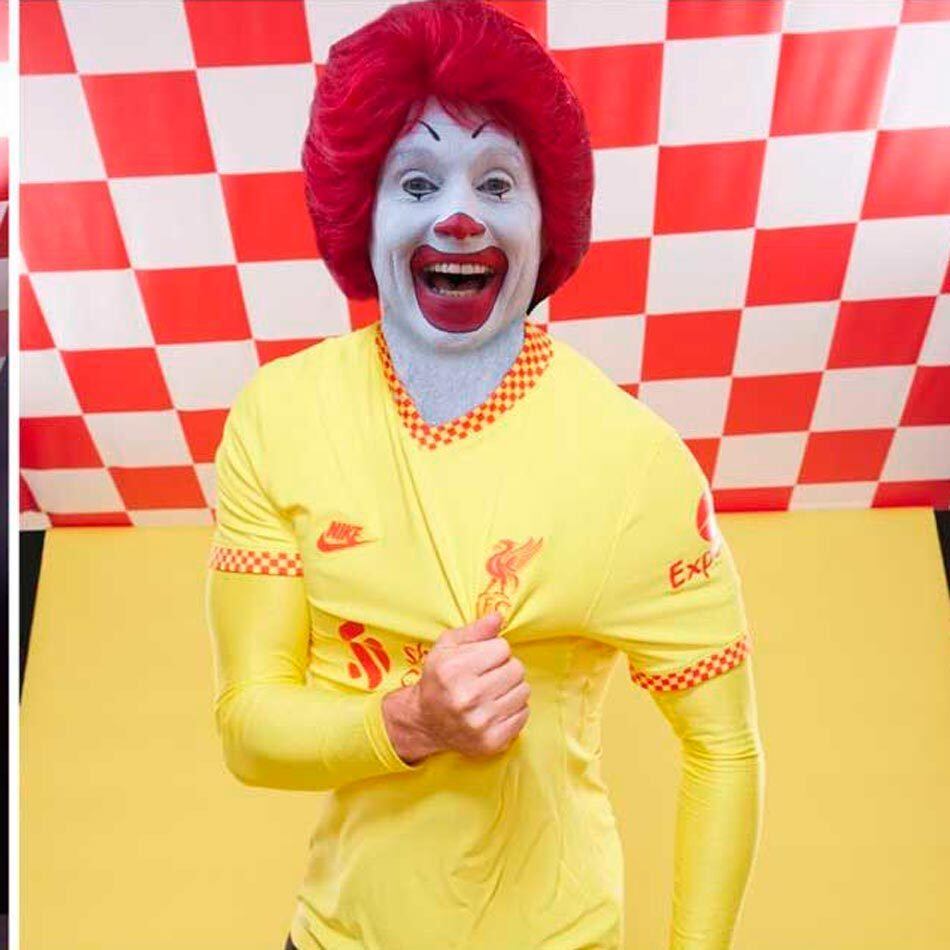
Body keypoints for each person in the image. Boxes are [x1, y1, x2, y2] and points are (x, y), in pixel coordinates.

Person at [205, 2, 765, 948]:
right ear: (363, 212)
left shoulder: (635, 464)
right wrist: (412, 722)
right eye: (417, 182)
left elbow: (724, 748)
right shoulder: (279, 416)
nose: (458, 217)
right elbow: (246, 727)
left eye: (497, 182)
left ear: (546, 221)